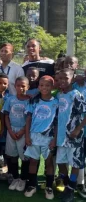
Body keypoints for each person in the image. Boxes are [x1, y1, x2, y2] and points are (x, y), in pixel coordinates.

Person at [24, 75, 57, 199]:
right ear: (38, 86)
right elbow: (28, 119)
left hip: (48, 137)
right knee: (33, 161)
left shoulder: (56, 102)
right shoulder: (34, 101)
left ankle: (49, 187)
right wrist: (27, 136)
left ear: (52, 87)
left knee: (48, 162)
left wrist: (54, 139)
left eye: (47, 85)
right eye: (42, 85)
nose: (44, 87)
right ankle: (32, 185)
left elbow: (57, 122)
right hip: (33, 136)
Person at [56, 68, 86, 201]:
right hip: (62, 136)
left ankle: (71, 187)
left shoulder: (76, 95)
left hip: (74, 136)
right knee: (61, 162)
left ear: (72, 79)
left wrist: (78, 129)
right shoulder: (59, 95)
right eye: (60, 78)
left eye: (66, 78)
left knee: (74, 163)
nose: (62, 81)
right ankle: (67, 182)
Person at [2, 76, 30, 192]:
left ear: (27, 87)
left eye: (23, 86)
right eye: (18, 85)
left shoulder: (30, 101)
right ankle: (15, 177)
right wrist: (9, 130)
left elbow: (30, 118)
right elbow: (6, 115)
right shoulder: (10, 99)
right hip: (11, 131)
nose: (20, 88)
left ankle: (23, 179)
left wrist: (22, 131)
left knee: (24, 157)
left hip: (24, 131)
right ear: (15, 86)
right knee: (12, 156)